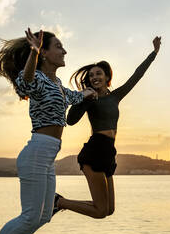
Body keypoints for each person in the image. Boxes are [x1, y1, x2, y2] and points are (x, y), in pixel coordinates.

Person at [0, 28, 97, 234]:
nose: (64, 51)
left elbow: (73, 98)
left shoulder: (57, 85)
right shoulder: (36, 77)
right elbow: (25, 81)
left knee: (44, 216)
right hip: (37, 152)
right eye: (59, 46)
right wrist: (33, 52)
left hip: (48, 156)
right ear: (45, 53)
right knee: (30, 215)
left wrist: (89, 93)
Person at [53, 36, 161, 219]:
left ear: (107, 77)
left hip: (109, 152)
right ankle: (58, 202)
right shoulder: (88, 98)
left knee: (109, 209)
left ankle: (59, 203)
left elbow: (137, 75)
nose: (95, 77)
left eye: (98, 74)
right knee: (101, 211)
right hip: (95, 150)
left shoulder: (115, 96)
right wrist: (85, 100)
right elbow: (70, 120)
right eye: (92, 76)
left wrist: (154, 53)